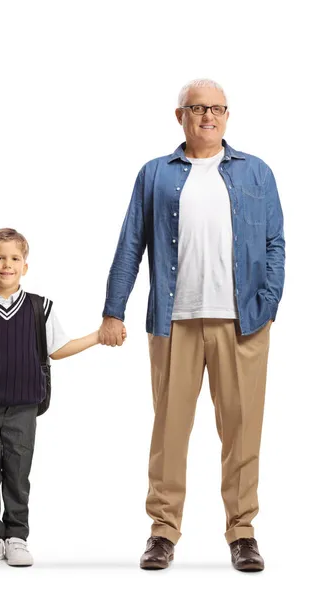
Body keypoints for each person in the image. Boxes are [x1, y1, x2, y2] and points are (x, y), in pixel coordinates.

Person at [99, 79, 285, 572]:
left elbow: (275, 243)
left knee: (243, 431)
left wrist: (267, 303)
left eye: (218, 108)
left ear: (227, 115)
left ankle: (242, 532)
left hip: (243, 323)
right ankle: (162, 531)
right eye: (198, 108)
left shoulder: (256, 172)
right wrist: (113, 309)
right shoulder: (155, 174)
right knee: (170, 430)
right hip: (173, 321)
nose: (209, 115)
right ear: (178, 115)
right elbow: (129, 245)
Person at [0, 227, 126, 567]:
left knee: (17, 472)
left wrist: (98, 337)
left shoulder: (39, 308)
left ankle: (16, 537)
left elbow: (58, 350)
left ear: (25, 266)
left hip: (23, 408)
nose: (6, 264)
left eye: (14, 258)